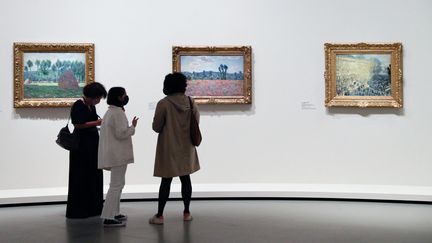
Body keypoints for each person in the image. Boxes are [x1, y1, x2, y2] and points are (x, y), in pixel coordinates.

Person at [149, 72, 201, 225]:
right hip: (186, 147)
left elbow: (156, 127)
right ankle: (186, 212)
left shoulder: (163, 103)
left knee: (166, 181)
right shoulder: (191, 102)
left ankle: (159, 216)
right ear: (183, 86)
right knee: (186, 179)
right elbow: (196, 122)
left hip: (168, 147)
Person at [98, 87, 138, 227]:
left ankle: (115, 212)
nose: (126, 97)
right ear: (120, 97)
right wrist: (132, 127)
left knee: (118, 184)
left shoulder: (110, 112)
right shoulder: (118, 113)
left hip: (114, 154)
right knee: (116, 186)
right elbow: (121, 134)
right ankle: (108, 217)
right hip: (118, 155)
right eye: (124, 95)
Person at [66, 82, 107, 219]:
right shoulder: (79, 105)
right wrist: (97, 123)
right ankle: (81, 209)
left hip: (92, 145)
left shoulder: (90, 106)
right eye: (98, 98)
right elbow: (78, 124)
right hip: (81, 147)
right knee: (81, 176)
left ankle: (94, 207)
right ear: (92, 96)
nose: (98, 101)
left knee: (93, 175)